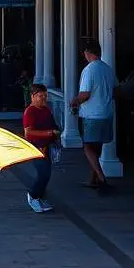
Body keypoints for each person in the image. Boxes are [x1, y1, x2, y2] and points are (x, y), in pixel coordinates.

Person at [69, 39, 116, 189]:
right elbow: (116, 90)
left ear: (87, 53)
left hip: (92, 115)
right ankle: (93, 179)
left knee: (88, 147)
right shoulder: (108, 69)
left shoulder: (89, 70)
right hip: (107, 113)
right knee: (98, 146)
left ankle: (101, 178)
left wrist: (74, 101)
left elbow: (85, 94)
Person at [23, 83, 59, 213]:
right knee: (43, 174)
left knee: (46, 174)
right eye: (40, 96)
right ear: (32, 96)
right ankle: (32, 196)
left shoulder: (46, 110)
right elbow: (28, 132)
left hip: (47, 146)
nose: (43, 98)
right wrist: (49, 133)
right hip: (36, 147)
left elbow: (52, 124)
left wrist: (55, 133)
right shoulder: (30, 111)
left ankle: (38, 197)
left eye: (45, 96)